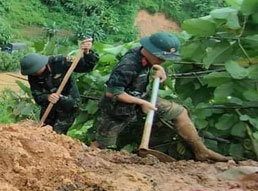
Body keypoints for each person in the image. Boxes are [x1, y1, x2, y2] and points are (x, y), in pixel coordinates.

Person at [92, 32, 229, 162]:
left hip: (142, 97)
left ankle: (201, 151)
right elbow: (112, 92)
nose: (163, 61)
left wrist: (160, 69)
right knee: (102, 147)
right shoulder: (128, 65)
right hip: (116, 110)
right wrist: (141, 103)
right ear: (150, 51)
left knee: (180, 112)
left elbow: (153, 65)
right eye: (160, 58)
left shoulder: (145, 55)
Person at [21, 38, 99, 134]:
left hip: (68, 104)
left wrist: (87, 53)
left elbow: (86, 67)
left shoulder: (60, 61)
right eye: (32, 73)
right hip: (49, 107)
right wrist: (47, 97)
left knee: (57, 134)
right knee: (43, 132)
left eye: (36, 71)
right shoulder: (33, 76)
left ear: (42, 65)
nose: (34, 74)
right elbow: (37, 96)